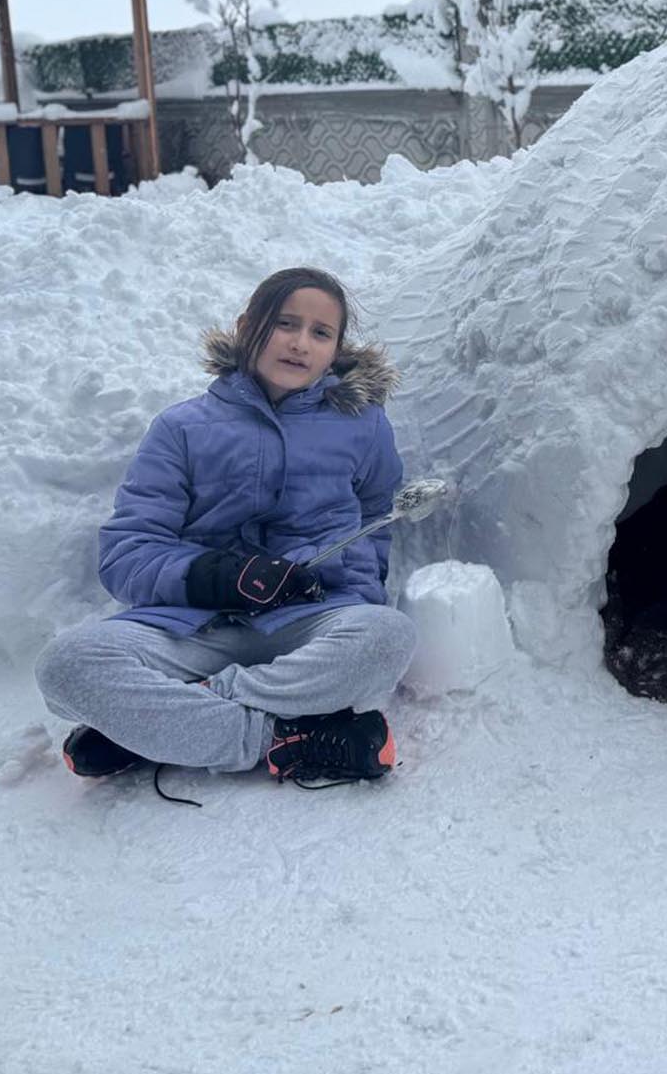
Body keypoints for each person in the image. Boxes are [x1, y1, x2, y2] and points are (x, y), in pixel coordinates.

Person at [35, 267, 417, 789]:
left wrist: (353, 587)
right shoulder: (182, 428)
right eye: (285, 324)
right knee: (66, 666)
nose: (300, 343)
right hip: (192, 626)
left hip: (309, 623)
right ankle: (288, 738)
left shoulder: (365, 425)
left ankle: (159, 723)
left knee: (387, 636)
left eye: (320, 333)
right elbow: (126, 551)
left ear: (335, 349)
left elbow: (376, 519)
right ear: (246, 326)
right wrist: (216, 576)